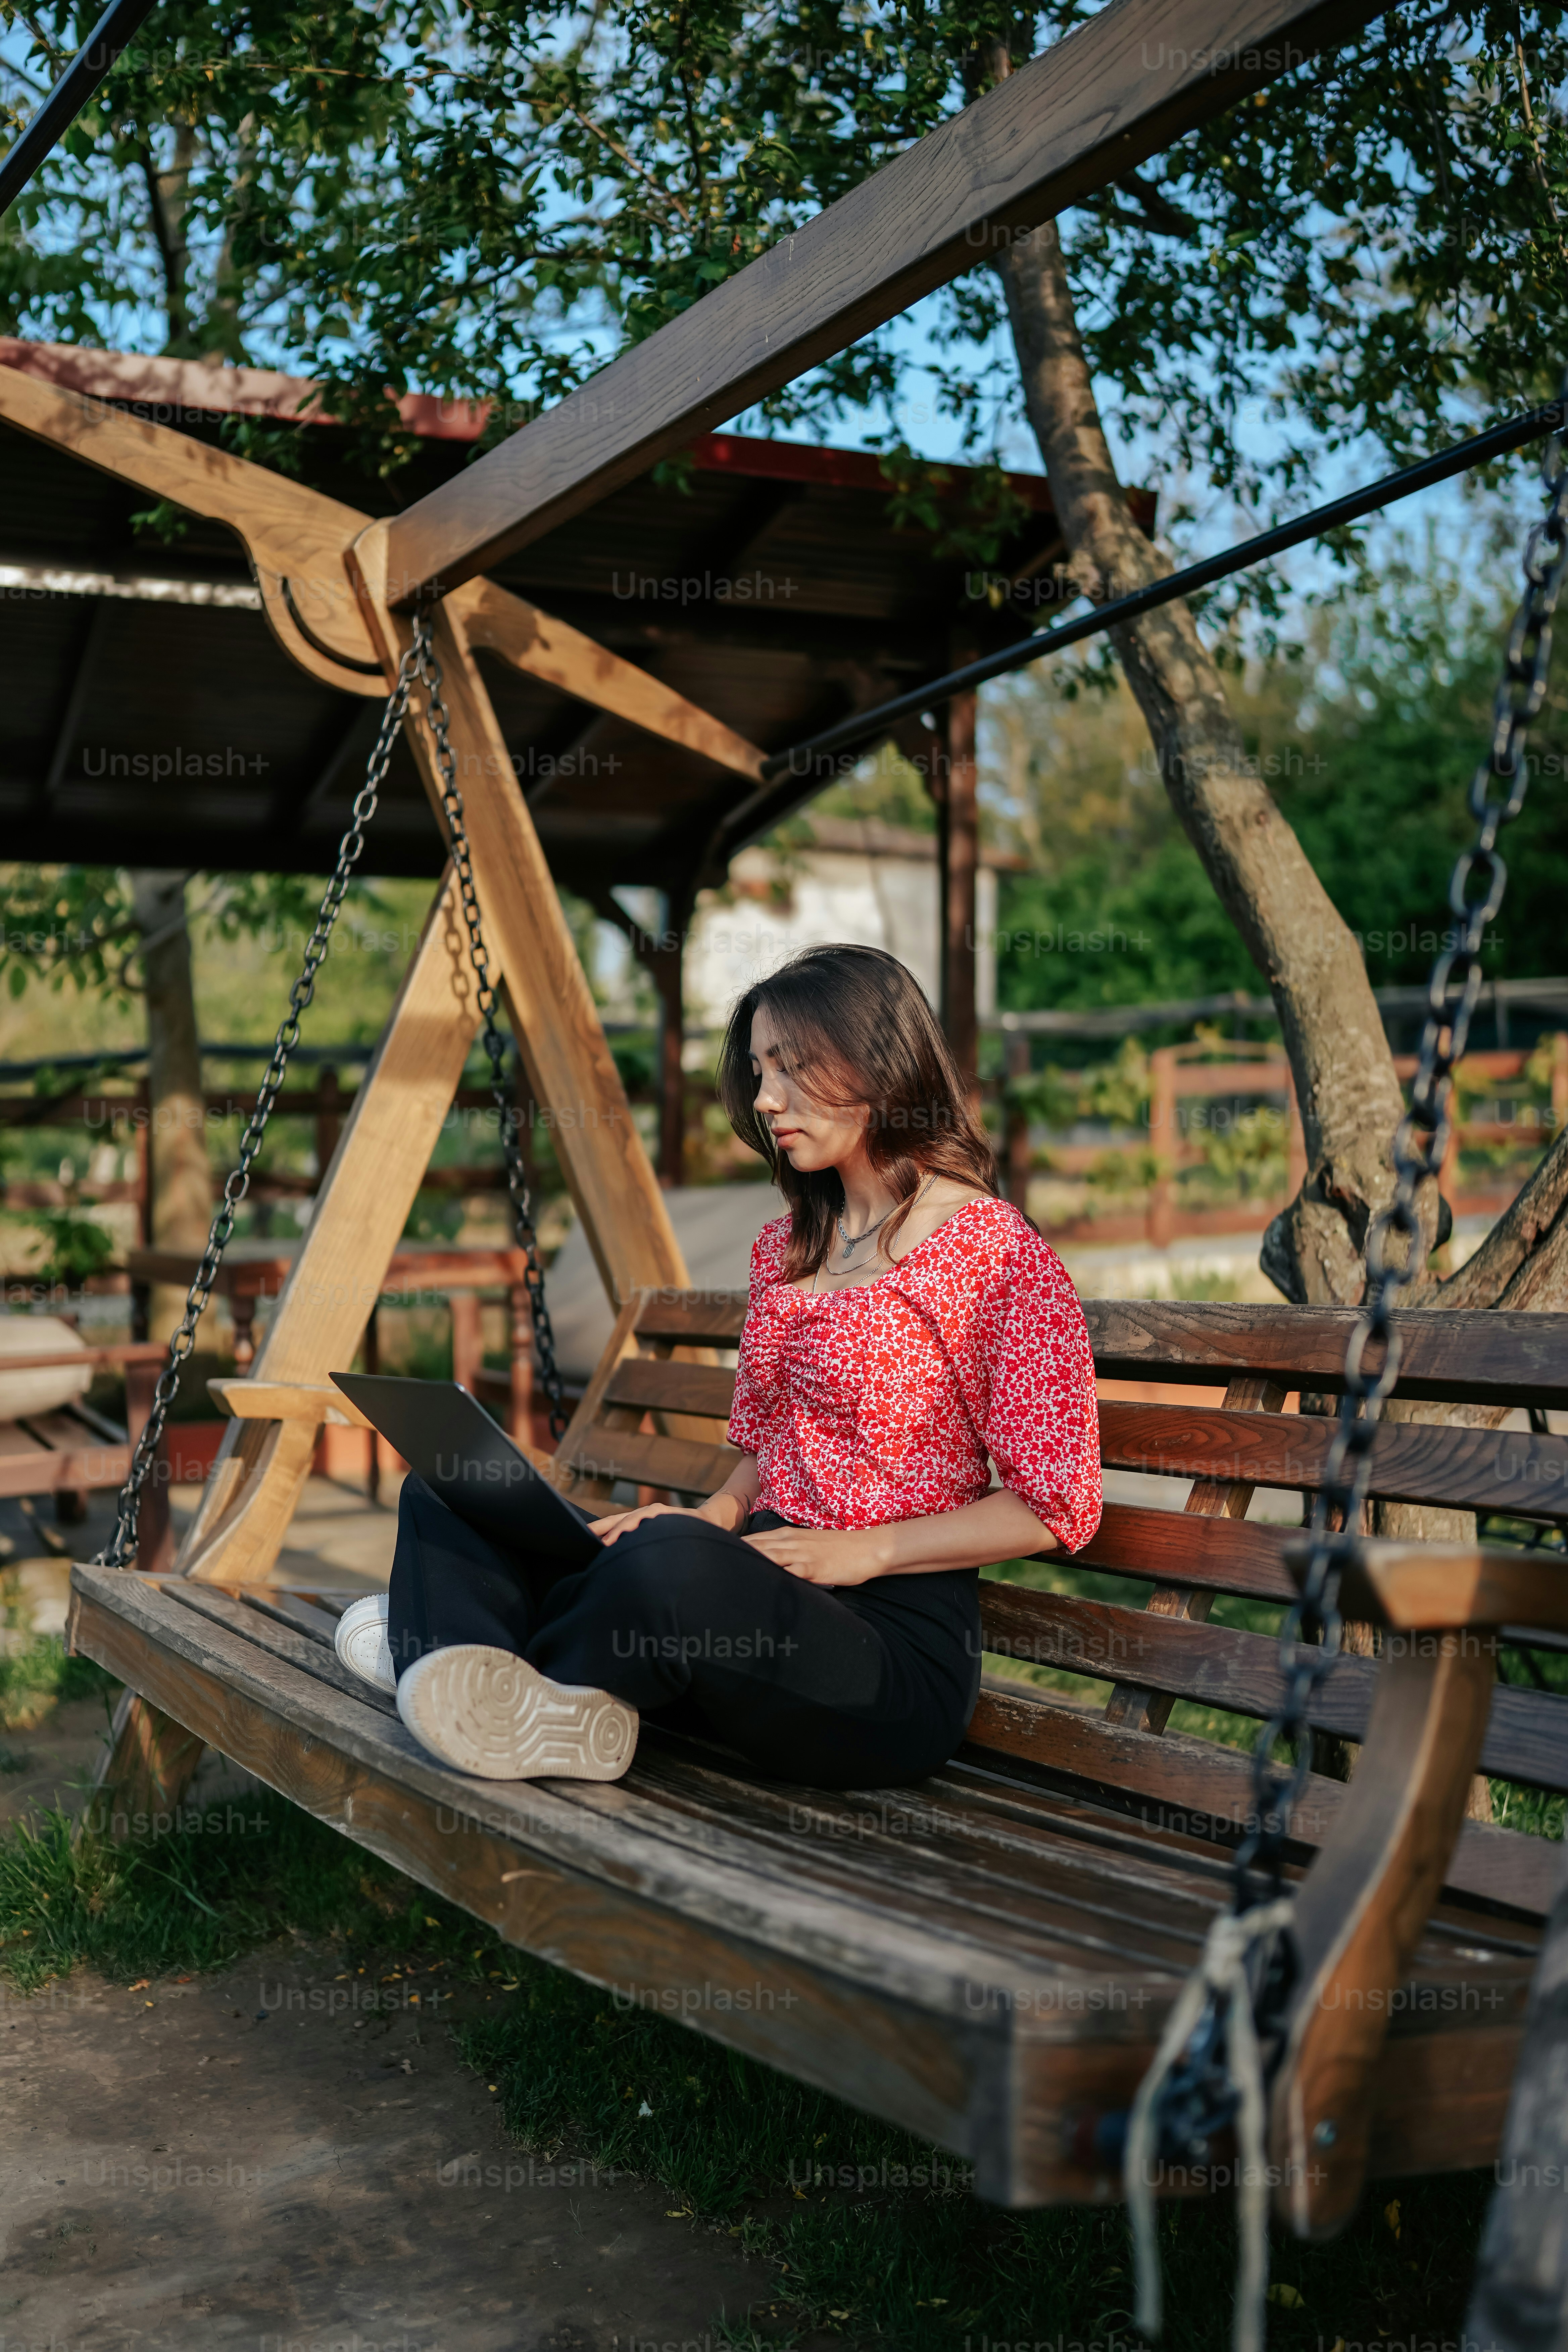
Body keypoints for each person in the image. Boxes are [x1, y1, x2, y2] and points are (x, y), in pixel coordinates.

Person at [334, 942, 1101, 1788]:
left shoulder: (993, 1253)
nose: (767, 1099)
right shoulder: (788, 1246)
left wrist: (866, 1552)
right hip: (750, 1585)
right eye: (759, 1071)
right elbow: (767, 1447)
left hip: (882, 1653)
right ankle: (500, 1687)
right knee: (452, 1487)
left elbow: (1055, 1507)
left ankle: (452, 1654)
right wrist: (716, 1516)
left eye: (793, 1068)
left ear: (880, 1062)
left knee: (666, 1562)